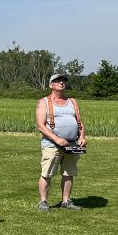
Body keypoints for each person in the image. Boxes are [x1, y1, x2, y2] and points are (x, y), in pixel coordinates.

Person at [36, 73, 86, 211]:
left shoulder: (72, 102)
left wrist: (82, 137)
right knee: (47, 173)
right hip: (51, 144)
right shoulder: (43, 102)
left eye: (63, 80)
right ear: (50, 85)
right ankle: (43, 202)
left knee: (69, 173)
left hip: (72, 144)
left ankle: (66, 201)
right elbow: (40, 125)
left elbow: (80, 122)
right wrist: (56, 138)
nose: (61, 83)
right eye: (57, 81)